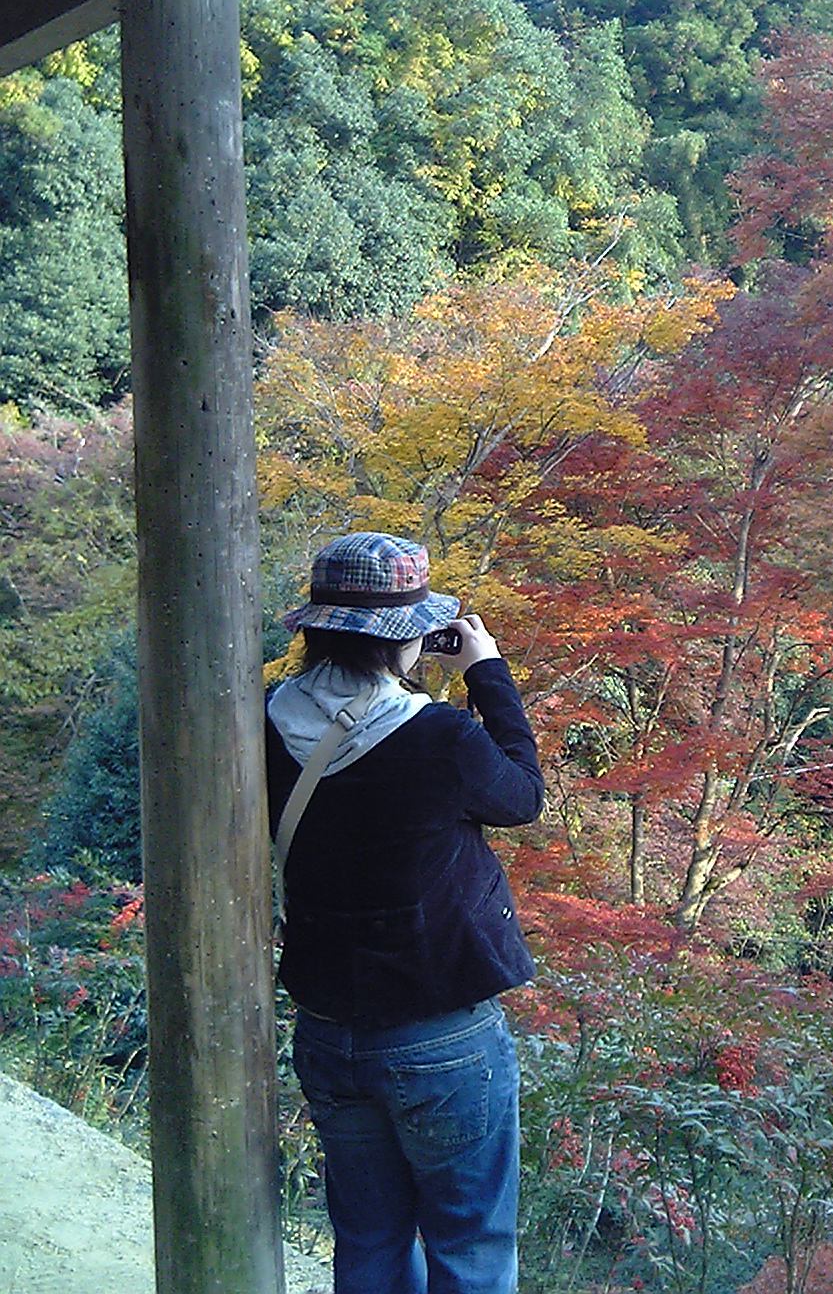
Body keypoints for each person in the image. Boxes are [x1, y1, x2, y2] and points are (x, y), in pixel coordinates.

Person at [265, 531, 543, 1294]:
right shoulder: (439, 735)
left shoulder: (261, 722)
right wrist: (484, 670)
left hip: (328, 1028)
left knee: (369, 1241)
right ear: (408, 636)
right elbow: (522, 796)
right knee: (471, 1245)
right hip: (442, 1032)